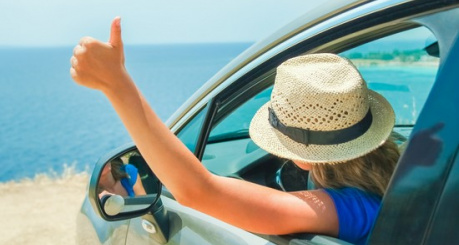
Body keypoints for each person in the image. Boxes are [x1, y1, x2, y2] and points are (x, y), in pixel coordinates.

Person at [70, 17, 399, 245]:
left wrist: (116, 84)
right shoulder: (406, 171)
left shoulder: (349, 208)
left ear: (299, 158)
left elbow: (200, 192)